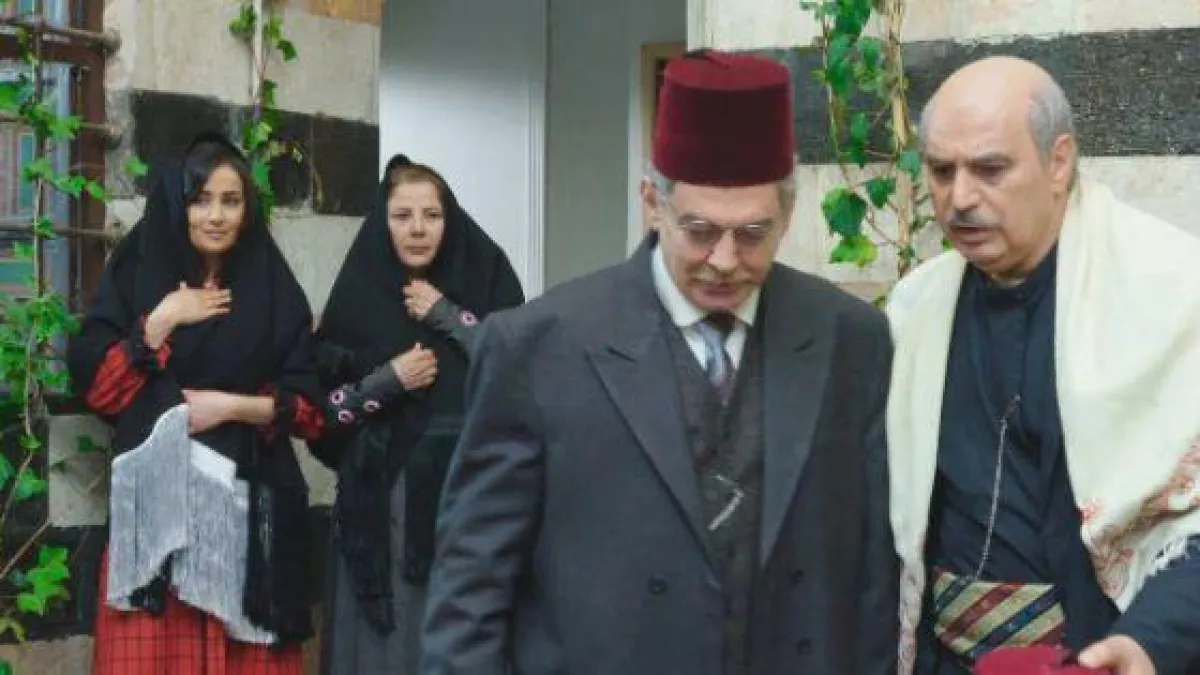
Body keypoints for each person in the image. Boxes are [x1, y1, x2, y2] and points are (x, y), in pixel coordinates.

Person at [419, 50, 898, 675]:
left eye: (753, 234)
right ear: (652, 202)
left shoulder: (850, 339)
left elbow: (871, 580)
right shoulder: (537, 346)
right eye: (699, 230)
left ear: (788, 211)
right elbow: (472, 585)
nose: (724, 260)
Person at [886, 55, 1200, 675]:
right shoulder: (915, 308)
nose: (959, 198)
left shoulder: (1172, 292)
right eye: (941, 171)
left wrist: (1150, 641)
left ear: (1059, 161)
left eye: (989, 169)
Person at [68, 132, 326, 674]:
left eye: (231, 201)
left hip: (245, 518)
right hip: (156, 529)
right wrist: (164, 318)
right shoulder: (139, 276)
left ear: (247, 211)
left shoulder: (271, 288)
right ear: (177, 204)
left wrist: (229, 407)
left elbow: (310, 409)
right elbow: (101, 393)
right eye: (200, 199)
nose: (216, 216)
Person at [309, 155, 524, 675]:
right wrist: (387, 382)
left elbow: (519, 370)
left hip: (467, 503)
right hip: (383, 508)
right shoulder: (358, 297)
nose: (418, 229)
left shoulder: (483, 281)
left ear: (450, 221)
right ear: (384, 223)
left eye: (432, 215)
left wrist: (445, 314)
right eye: (402, 216)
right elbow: (319, 417)